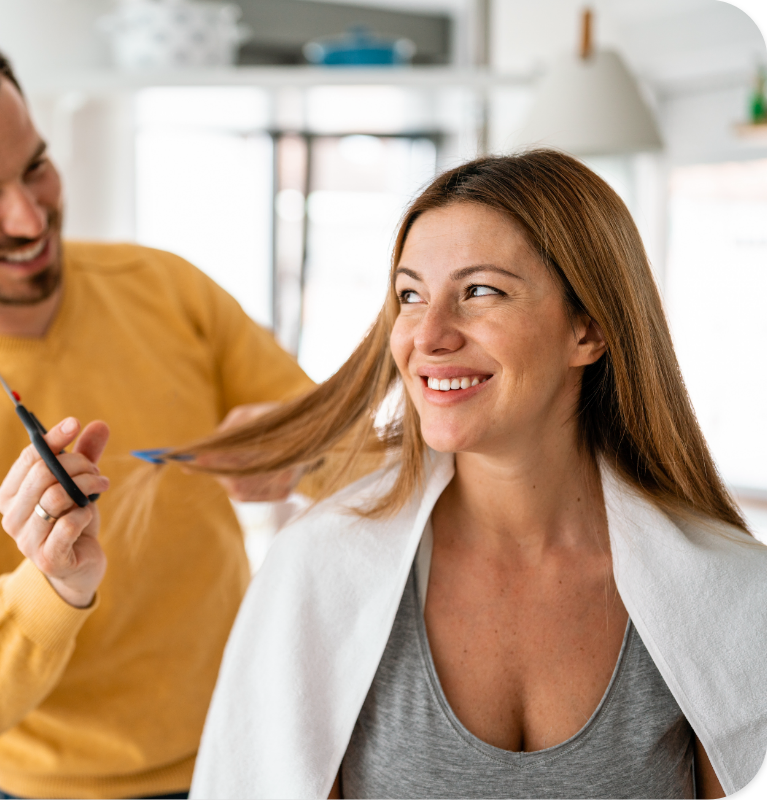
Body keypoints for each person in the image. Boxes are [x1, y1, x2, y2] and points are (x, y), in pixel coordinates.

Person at [153, 151, 767, 799]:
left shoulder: (730, 598)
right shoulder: (317, 570)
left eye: (480, 291)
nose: (429, 334)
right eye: (410, 295)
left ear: (589, 329)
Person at [0, 31, 316, 800]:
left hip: (253, 755)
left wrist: (303, 451)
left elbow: (351, 443)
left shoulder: (166, 287)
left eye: (35, 168)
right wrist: (51, 586)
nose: (28, 219)